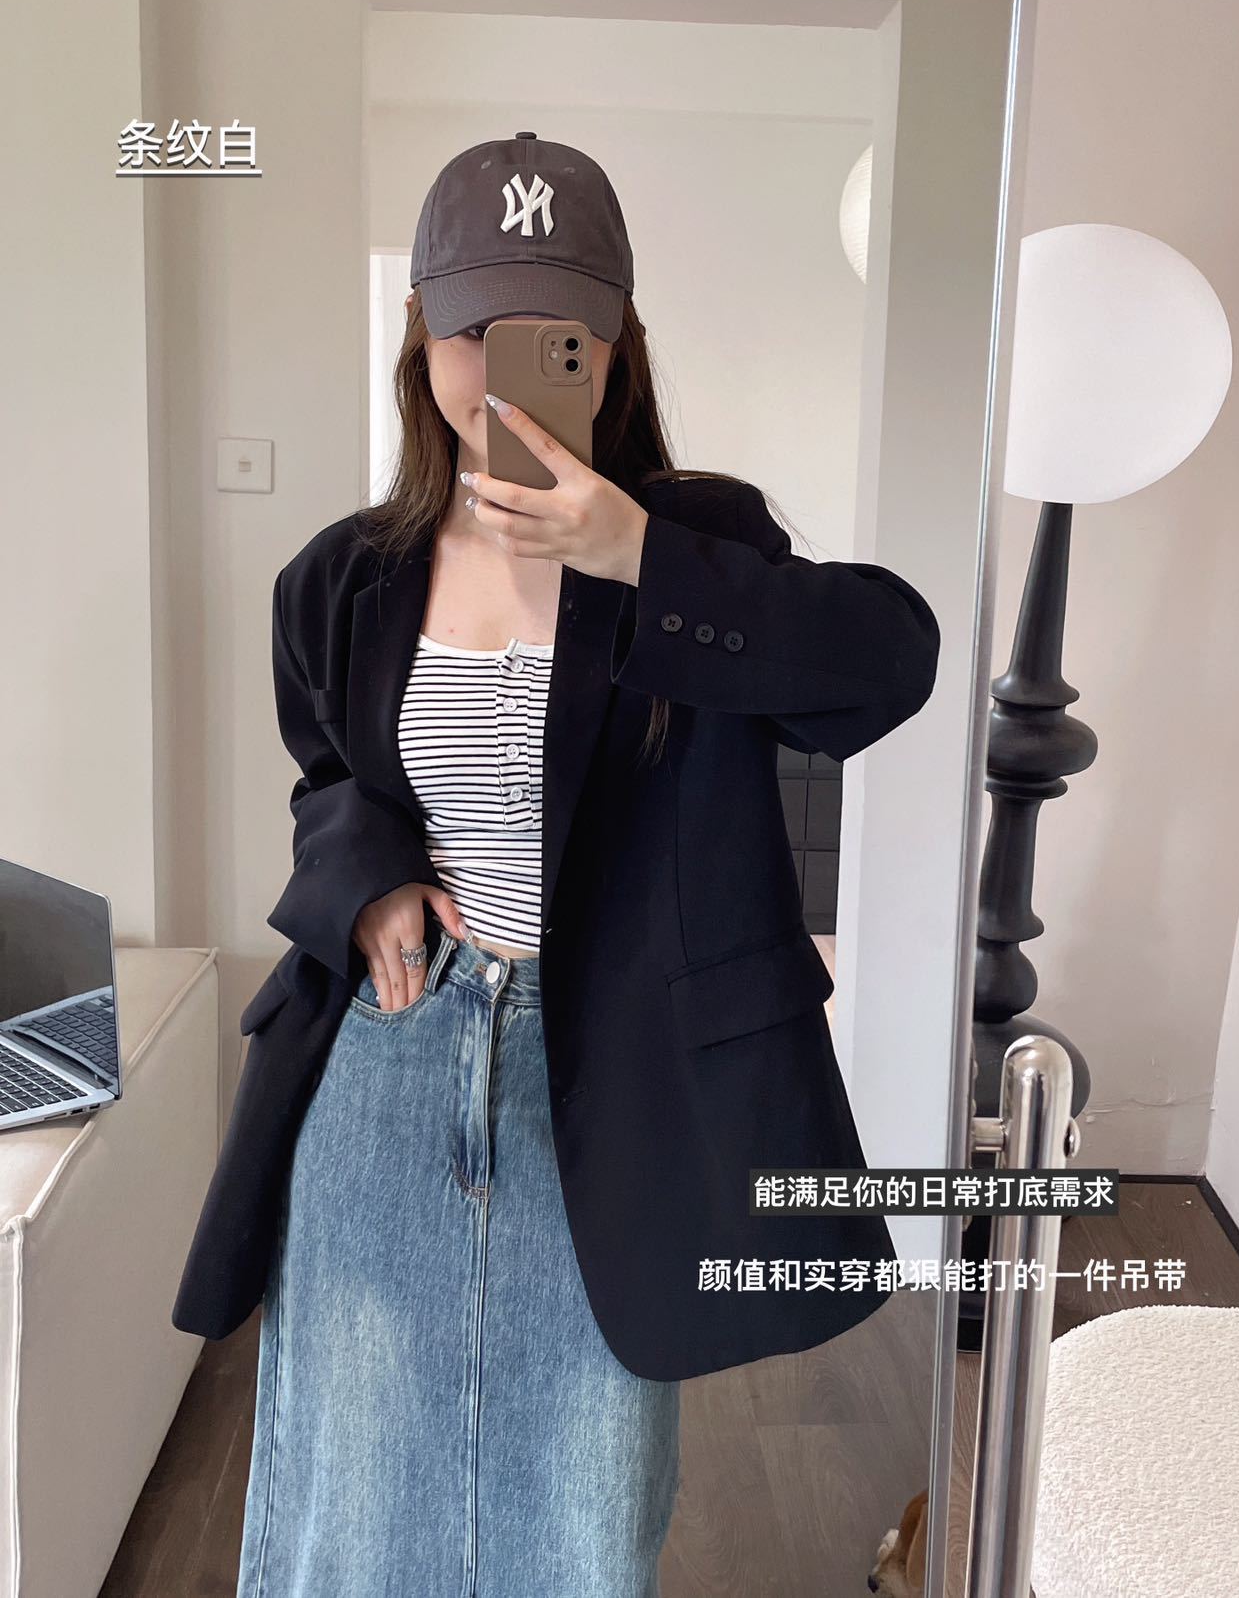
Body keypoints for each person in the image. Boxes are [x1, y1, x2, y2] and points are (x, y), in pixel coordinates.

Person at [219, 130, 941, 1598]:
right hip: (390, 1051)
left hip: (619, 1066)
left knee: (586, 1505)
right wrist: (370, 880)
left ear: (615, 348)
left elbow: (889, 663)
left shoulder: (701, 537)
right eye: (471, 331)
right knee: (353, 1483)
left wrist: (638, 558)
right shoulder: (346, 577)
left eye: (554, 334)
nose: (504, 370)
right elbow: (331, 775)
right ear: (419, 336)